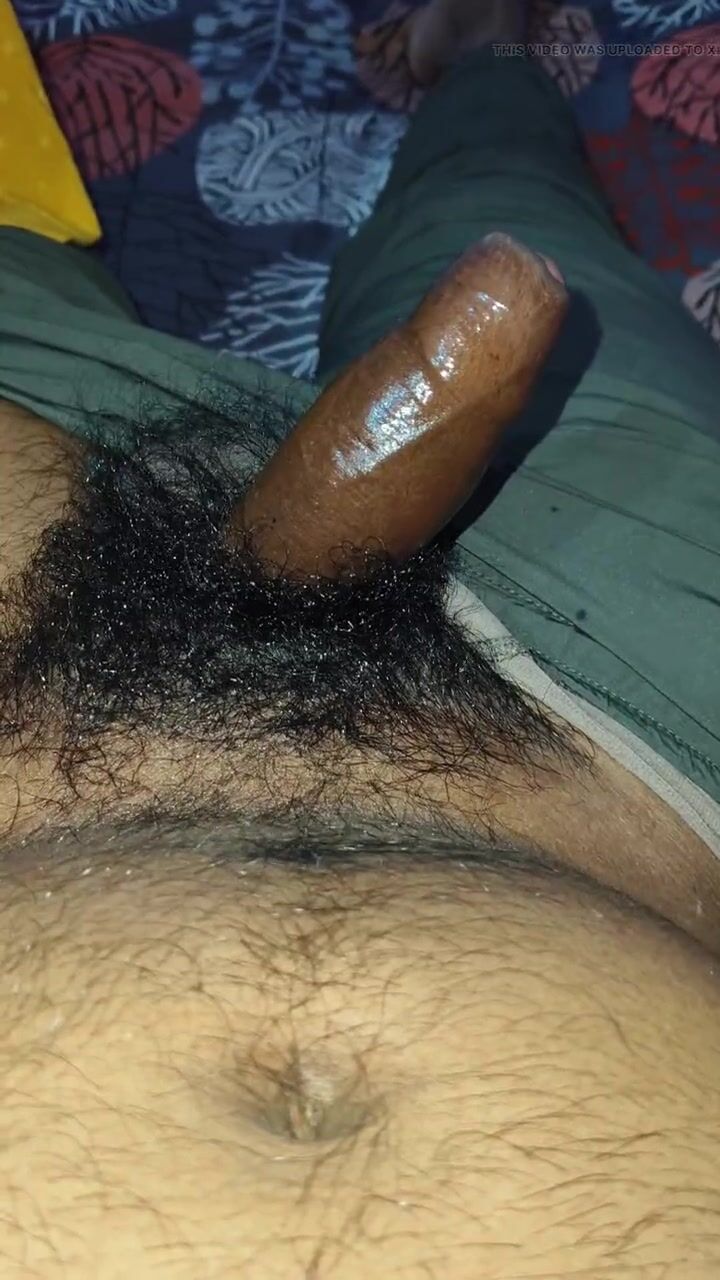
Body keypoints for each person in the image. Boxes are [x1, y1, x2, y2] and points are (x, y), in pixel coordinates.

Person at [0, 0, 719, 1274]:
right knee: (525, 237)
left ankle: (477, 53)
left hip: (27, 644)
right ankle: (486, 66)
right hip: (635, 749)